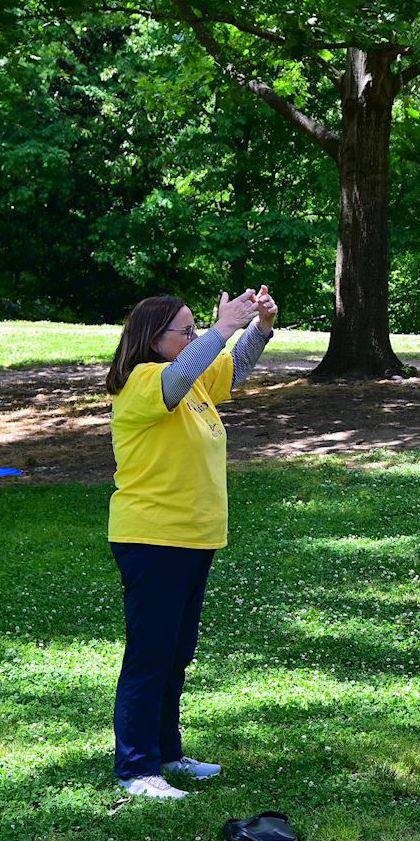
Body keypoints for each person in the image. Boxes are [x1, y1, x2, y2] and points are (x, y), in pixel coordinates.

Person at [103, 284, 279, 799]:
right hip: (153, 537)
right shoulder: (143, 382)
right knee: (150, 655)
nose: (195, 337)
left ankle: (166, 753)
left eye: (196, 329)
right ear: (154, 339)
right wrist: (223, 327)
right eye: (187, 331)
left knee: (176, 652)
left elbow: (235, 368)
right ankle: (136, 769)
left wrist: (260, 326)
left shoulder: (192, 379)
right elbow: (182, 374)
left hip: (193, 537)